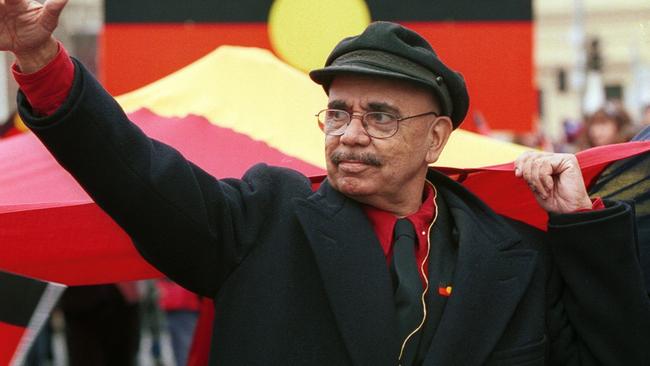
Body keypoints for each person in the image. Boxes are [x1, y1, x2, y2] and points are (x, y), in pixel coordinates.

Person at [2, 1, 650, 365]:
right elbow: (137, 174)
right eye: (339, 112)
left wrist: (580, 224)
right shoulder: (264, 220)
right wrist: (40, 64)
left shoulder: (517, 256)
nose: (350, 133)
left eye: (380, 116)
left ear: (437, 136)